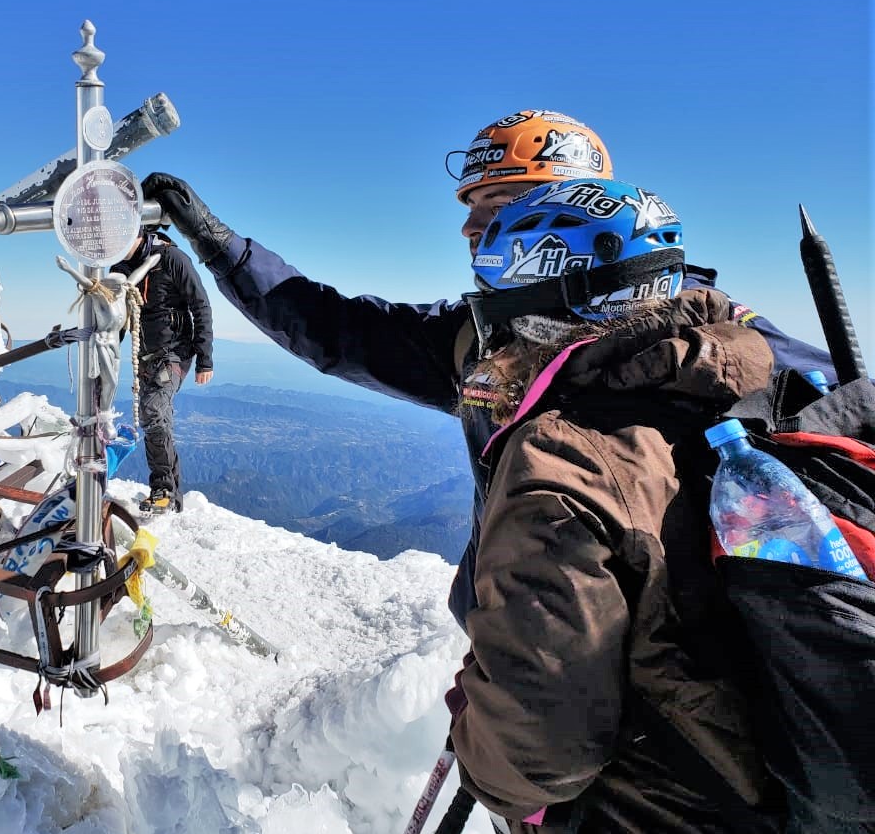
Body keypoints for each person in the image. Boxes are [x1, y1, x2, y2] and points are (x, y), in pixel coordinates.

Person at [140, 109, 834, 625]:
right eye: (470, 207)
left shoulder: (729, 344)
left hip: (679, 722)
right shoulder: (483, 342)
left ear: (571, 205)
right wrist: (223, 247)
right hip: (545, 670)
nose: (470, 228)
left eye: (495, 203)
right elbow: (340, 330)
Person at [442, 178, 785, 834]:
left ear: (543, 304)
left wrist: (473, 735)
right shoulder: (751, 391)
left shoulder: (563, 459)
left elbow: (536, 753)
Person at [110, 226, 215, 514]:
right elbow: (116, 315)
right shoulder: (120, 268)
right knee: (157, 418)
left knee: (153, 412)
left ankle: (164, 490)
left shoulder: (171, 259)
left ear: (138, 232)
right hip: (146, 356)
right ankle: (169, 494)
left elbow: (200, 304)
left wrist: (205, 358)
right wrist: (107, 351)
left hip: (174, 353)